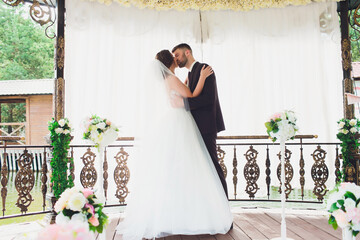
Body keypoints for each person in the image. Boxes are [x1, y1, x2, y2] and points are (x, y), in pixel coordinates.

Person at [116, 50, 232, 240]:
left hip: (173, 121)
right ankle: (194, 215)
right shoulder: (172, 78)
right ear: (170, 62)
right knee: (192, 166)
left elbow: (180, 91)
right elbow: (193, 94)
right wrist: (202, 78)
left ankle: (175, 215)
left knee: (175, 169)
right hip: (181, 122)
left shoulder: (166, 80)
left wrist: (184, 83)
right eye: (174, 57)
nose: (177, 60)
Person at [172, 43, 228, 198]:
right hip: (195, 128)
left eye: (177, 55)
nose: (175, 59)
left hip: (206, 127)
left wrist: (183, 103)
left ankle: (224, 210)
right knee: (200, 170)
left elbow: (208, 99)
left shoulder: (204, 68)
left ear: (187, 52)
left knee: (213, 167)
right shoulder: (190, 75)